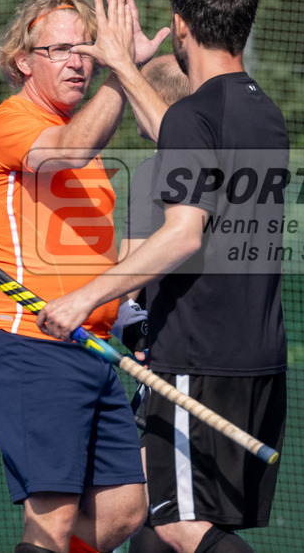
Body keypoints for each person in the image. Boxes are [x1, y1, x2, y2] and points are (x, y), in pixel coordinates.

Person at [37, 0, 289, 553]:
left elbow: (183, 234)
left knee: (175, 523)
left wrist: (83, 298)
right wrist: (123, 67)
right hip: (255, 352)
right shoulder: (260, 111)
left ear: (180, 26)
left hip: (197, 355)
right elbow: (178, 133)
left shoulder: (198, 116)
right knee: (164, 525)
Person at [0, 0, 169, 553]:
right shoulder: (11, 123)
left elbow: (96, 258)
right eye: (60, 49)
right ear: (22, 61)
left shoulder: (96, 156)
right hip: (31, 342)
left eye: (86, 47)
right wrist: (122, 67)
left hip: (94, 348)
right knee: (52, 520)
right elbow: (68, 150)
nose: (79, 60)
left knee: (125, 510)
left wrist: (132, 312)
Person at [119, 54, 190, 553]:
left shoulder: (155, 172)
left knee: (155, 513)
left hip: (173, 364)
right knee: (188, 511)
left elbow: (128, 274)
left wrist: (102, 309)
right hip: (224, 360)